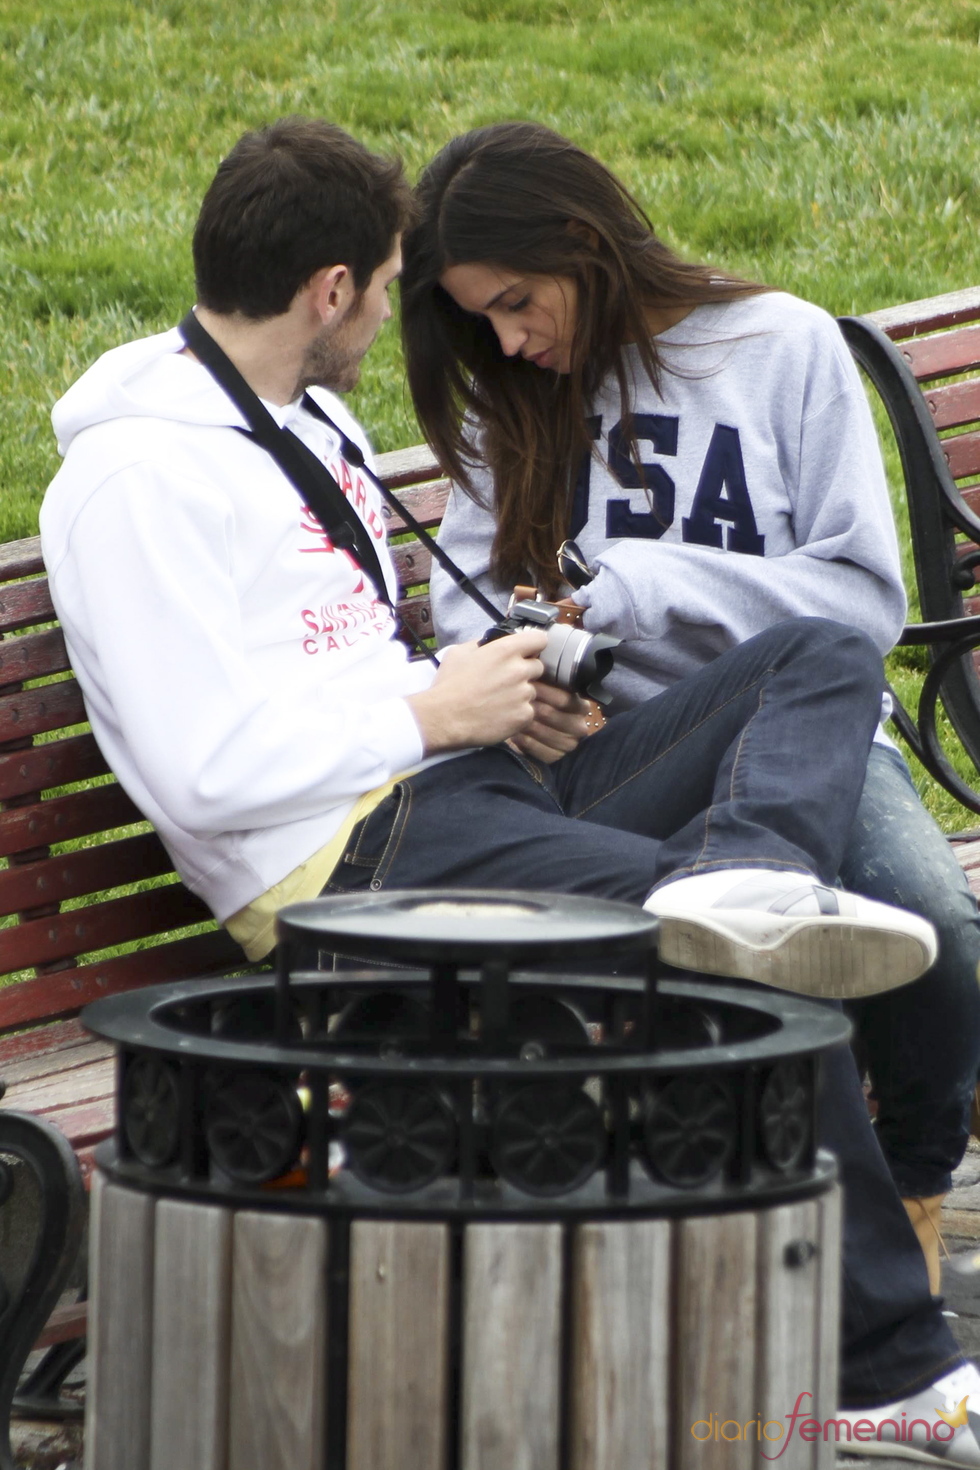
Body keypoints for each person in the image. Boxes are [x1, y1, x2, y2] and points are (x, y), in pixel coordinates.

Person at [37, 116, 975, 1456]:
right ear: (333, 290)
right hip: (348, 867)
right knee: (735, 969)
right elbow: (201, 771)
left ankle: (745, 863)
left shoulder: (298, 420)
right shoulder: (139, 479)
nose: (444, 336)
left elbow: (349, 665)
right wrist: (428, 709)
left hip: (459, 788)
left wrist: (490, 685)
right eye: (398, 288)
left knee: (816, 654)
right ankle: (893, 1369)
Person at [401, 120, 980, 1308]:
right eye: (480, 321)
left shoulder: (779, 346)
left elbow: (860, 600)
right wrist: (519, 686)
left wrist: (635, 589)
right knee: (737, 970)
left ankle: (909, 1191)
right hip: (609, 760)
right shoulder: (502, 393)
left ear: (583, 243)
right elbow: (460, 617)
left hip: (796, 733)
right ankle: (759, 1252)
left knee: (935, 930)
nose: (507, 338)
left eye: (516, 302)